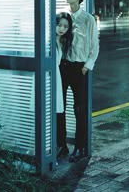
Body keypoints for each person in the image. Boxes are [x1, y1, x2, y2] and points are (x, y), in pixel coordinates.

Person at [60, 0, 99, 163]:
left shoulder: (88, 19)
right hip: (63, 66)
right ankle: (62, 145)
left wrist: (87, 65)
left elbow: (94, 45)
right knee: (60, 108)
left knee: (79, 109)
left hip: (79, 68)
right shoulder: (63, 16)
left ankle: (80, 147)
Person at [55, 12, 73, 158]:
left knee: (59, 112)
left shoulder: (62, 41)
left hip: (58, 79)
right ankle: (59, 144)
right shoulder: (50, 40)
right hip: (50, 79)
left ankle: (61, 145)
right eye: (59, 25)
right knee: (55, 112)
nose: (62, 29)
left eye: (65, 26)